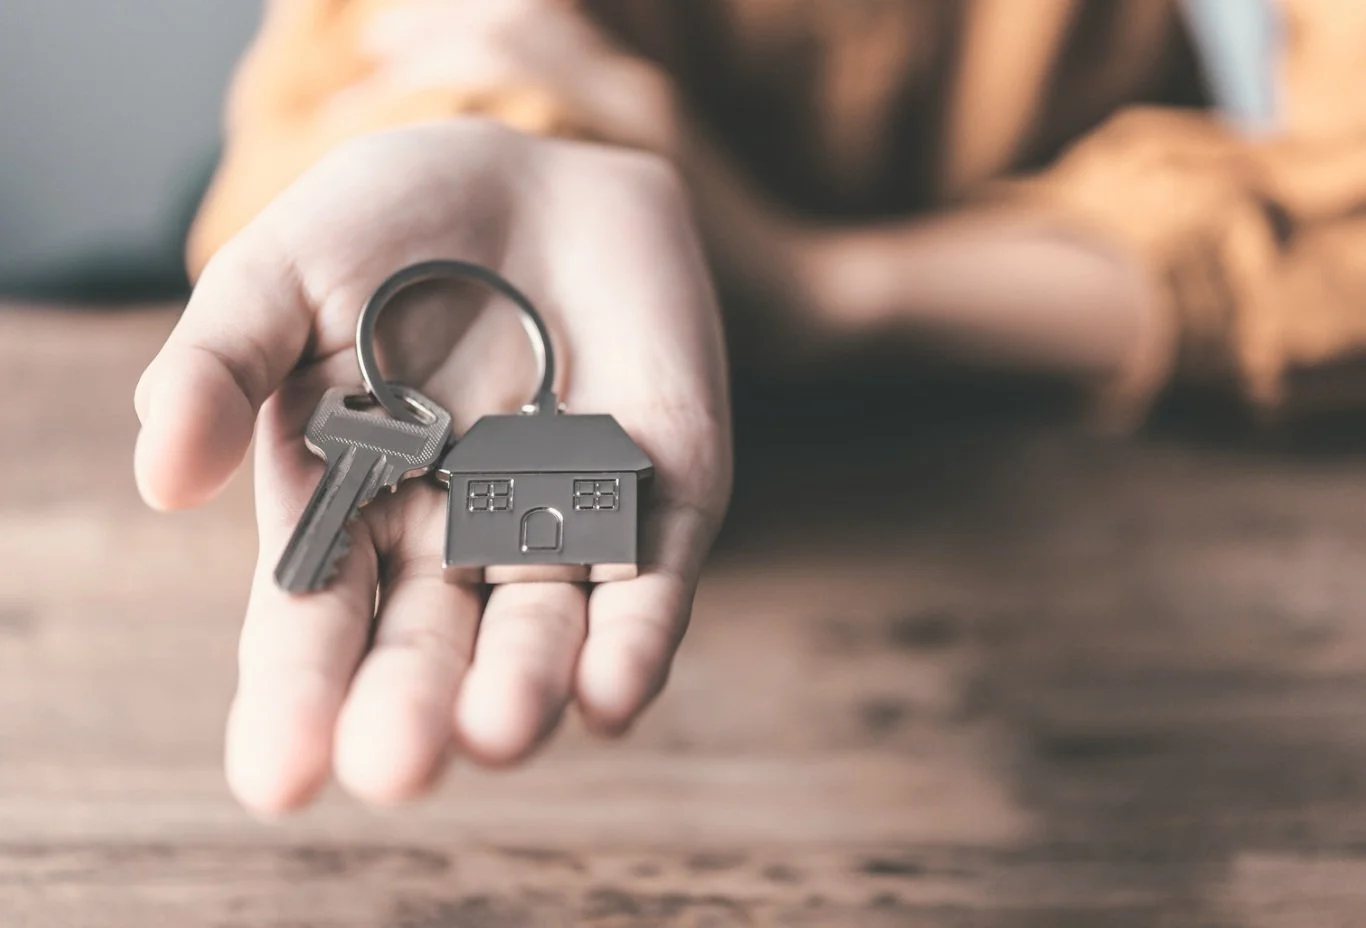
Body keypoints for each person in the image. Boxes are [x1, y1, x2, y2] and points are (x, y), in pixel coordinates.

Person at [133, 0, 1366, 815]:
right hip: (873, 415)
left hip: (1051, 422)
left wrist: (819, 286)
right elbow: (405, 43)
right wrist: (504, 134)